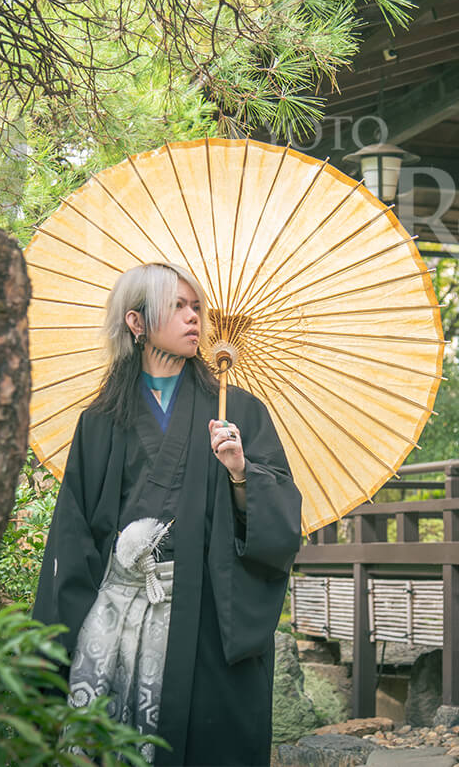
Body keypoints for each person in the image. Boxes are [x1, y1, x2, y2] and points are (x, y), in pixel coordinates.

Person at [33, 262, 303, 766]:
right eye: (177, 306)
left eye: (196, 306)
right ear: (137, 323)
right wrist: (70, 628)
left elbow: (282, 517)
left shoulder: (239, 412)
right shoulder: (98, 421)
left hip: (205, 610)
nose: (193, 317)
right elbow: (73, 532)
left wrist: (242, 473)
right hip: (117, 614)